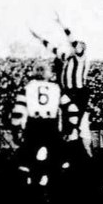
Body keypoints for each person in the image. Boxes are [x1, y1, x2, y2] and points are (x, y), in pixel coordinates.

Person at [30, 12, 92, 158]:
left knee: (77, 123)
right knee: (69, 124)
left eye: (80, 46)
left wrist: (61, 23)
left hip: (79, 93)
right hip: (68, 93)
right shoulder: (67, 57)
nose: (76, 47)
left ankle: (86, 153)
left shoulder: (81, 58)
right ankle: (74, 153)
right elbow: (51, 47)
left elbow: (72, 40)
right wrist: (38, 37)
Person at [11, 61, 79, 187]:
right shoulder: (56, 88)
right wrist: (70, 128)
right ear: (48, 74)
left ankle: (29, 184)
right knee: (57, 159)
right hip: (50, 125)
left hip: (34, 125)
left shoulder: (27, 88)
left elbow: (18, 111)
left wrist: (16, 130)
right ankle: (49, 185)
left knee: (27, 159)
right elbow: (73, 108)